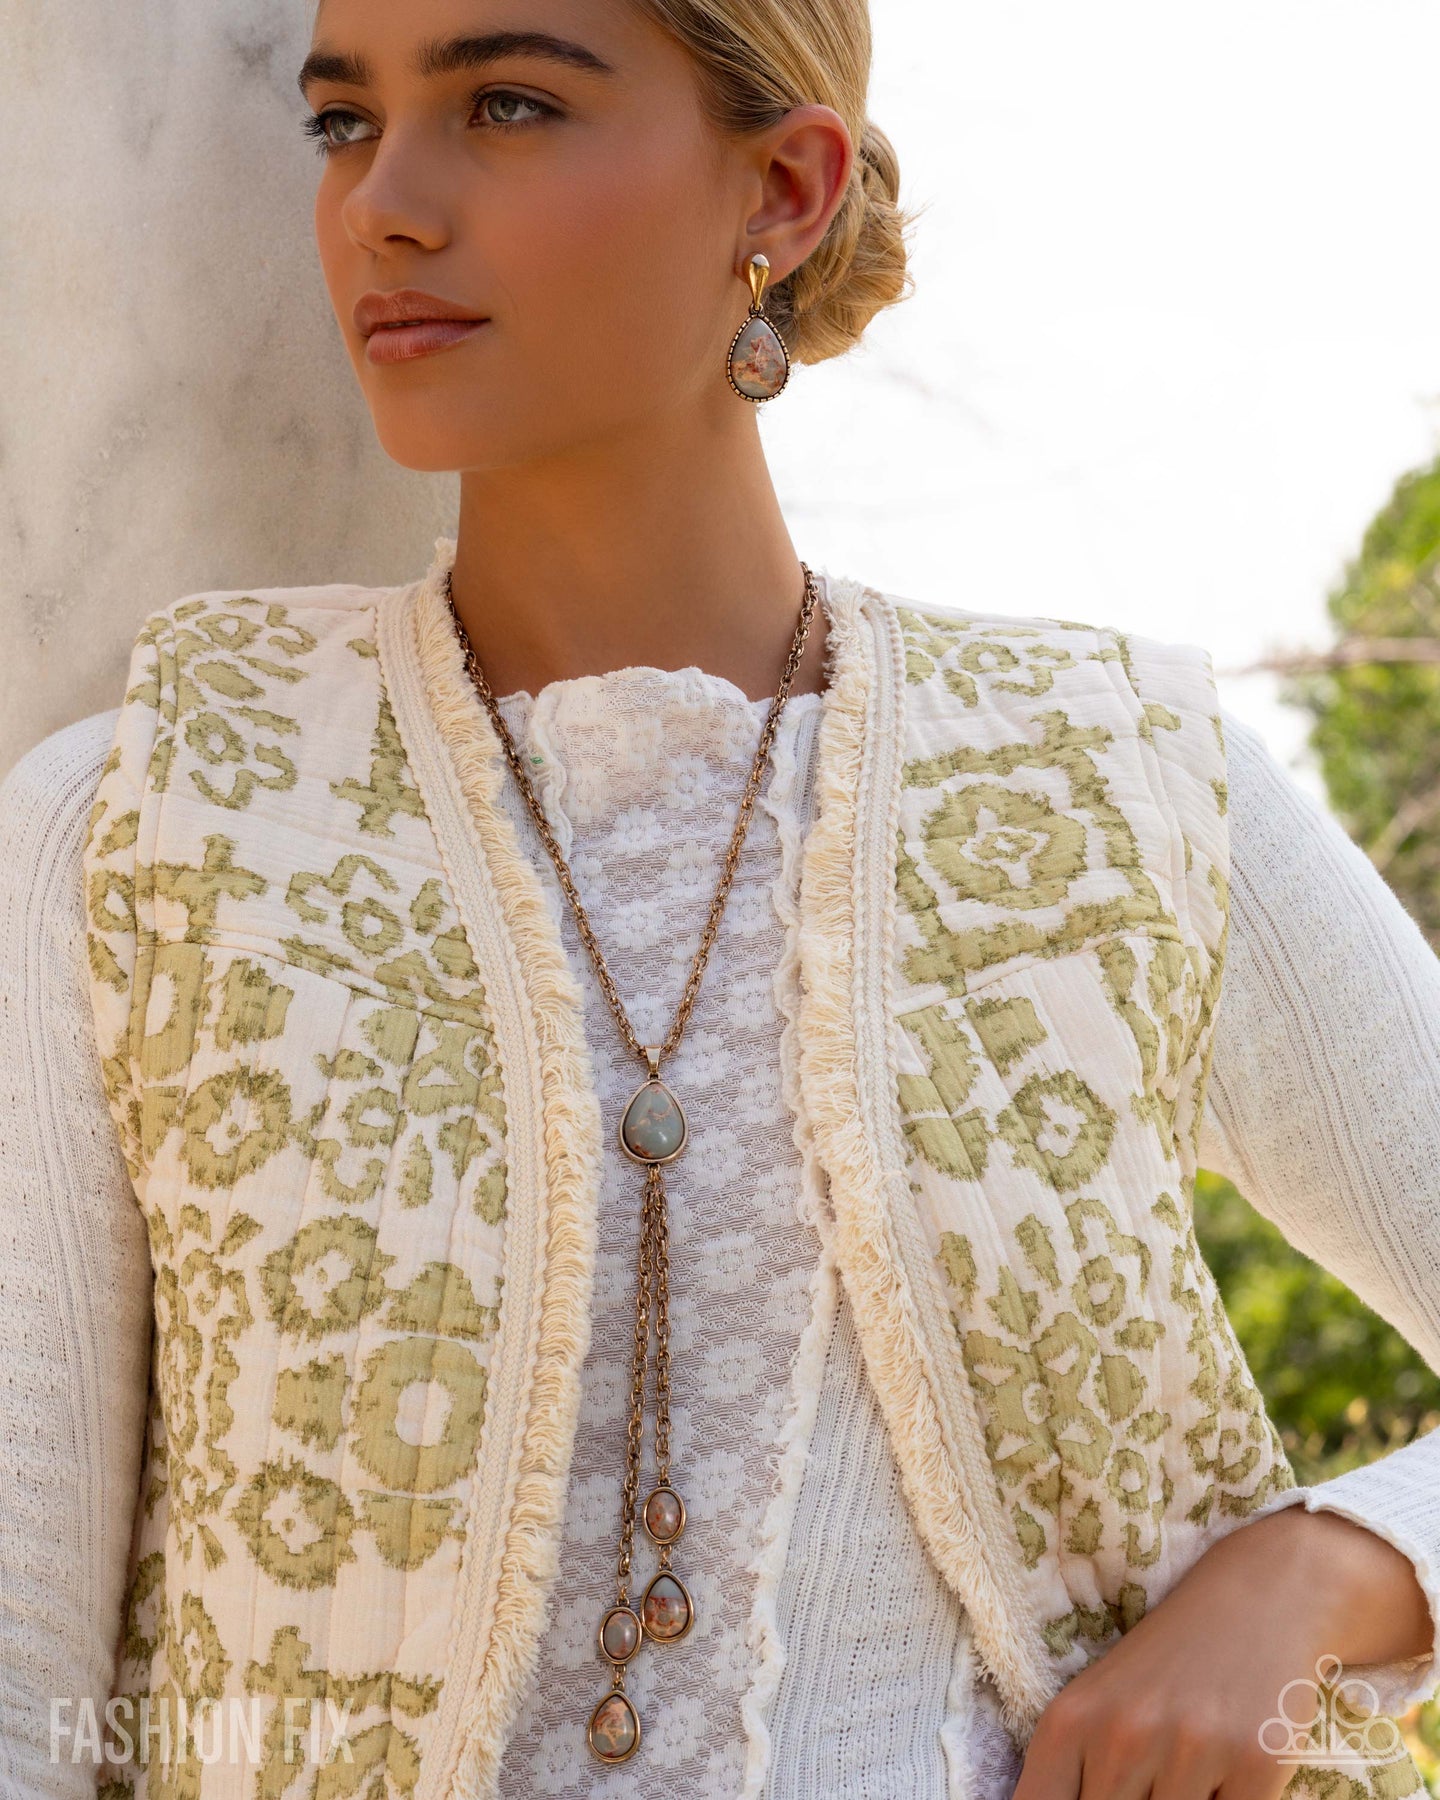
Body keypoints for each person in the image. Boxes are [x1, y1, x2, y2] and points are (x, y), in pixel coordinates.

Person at [2, 3, 1440, 1799]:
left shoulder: (1114, 786)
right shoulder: (152, 822)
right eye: (343, 122)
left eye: (506, 103)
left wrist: (1326, 1574)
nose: (384, 203)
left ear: (783, 188)